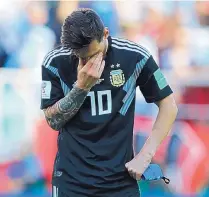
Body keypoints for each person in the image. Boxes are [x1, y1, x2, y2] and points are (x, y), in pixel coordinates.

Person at [41, 8, 178, 197]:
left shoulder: (134, 56)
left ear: (105, 34)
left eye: (94, 54)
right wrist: (81, 88)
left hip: (119, 182)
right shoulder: (55, 62)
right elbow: (52, 121)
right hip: (72, 182)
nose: (89, 62)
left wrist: (145, 156)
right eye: (82, 57)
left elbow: (169, 105)